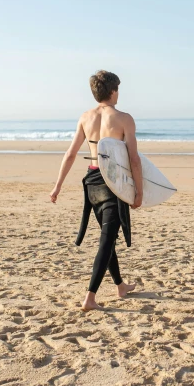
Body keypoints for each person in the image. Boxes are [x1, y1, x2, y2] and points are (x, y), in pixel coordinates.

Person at [50, 70, 142, 311]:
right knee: (106, 239)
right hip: (112, 183)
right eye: (118, 89)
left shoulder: (85, 117)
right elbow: (134, 159)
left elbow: (70, 154)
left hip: (92, 181)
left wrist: (57, 185)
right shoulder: (124, 119)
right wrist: (139, 192)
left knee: (107, 236)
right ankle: (90, 297)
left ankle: (120, 286)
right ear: (113, 91)